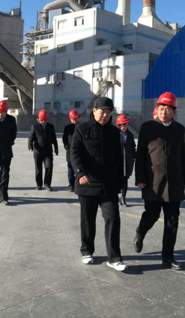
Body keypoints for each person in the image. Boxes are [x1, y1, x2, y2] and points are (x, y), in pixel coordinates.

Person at [134, 92, 185, 270]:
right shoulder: (147, 127)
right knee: (152, 215)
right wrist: (140, 178)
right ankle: (141, 231)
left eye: (167, 109)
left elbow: (183, 154)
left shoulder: (179, 129)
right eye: (161, 108)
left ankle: (168, 257)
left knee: (172, 221)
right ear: (157, 109)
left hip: (174, 182)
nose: (164, 112)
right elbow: (140, 154)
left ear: (174, 111)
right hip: (153, 181)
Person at [70, 97, 127, 271]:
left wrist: (121, 181)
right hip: (87, 182)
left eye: (108, 112)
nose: (105, 115)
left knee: (113, 218)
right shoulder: (82, 128)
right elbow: (75, 152)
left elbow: (119, 158)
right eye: (102, 111)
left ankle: (114, 258)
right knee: (88, 220)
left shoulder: (114, 132)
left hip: (108, 184)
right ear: (94, 111)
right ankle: (87, 251)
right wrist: (80, 172)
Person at [28, 109, 58, 191]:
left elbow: (54, 139)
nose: (43, 122)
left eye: (45, 120)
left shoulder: (51, 127)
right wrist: (30, 146)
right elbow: (30, 138)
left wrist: (56, 148)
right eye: (42, 120)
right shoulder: (34, 126)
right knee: (38, 169)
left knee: (49, 167)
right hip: (38, 151)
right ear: (38, 119)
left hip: (48, 151)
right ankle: (39, 185)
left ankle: (47, 184)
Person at [116, 114, 136, 207]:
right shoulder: (115, 134)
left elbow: (133, 148)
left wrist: (135, 157)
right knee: (116, 180)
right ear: (118, 125)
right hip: (117, 162)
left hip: (127, 162)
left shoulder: (130, 135)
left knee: (125, 181)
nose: (124, 127)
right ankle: (115, 197)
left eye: (125, 124)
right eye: (122, 125)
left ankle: (123, 198)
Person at [63, 110, 80, 192]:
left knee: (79, 169)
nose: (75, 120)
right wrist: (67, 146)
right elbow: (64, 139)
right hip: (70, 151)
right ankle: (71, 185)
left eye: (76, 118)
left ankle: (78, 184)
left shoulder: (81, 127)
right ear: (70, 119)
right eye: (73, 118)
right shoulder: (67, 128)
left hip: (79, 151)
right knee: (70, 169)